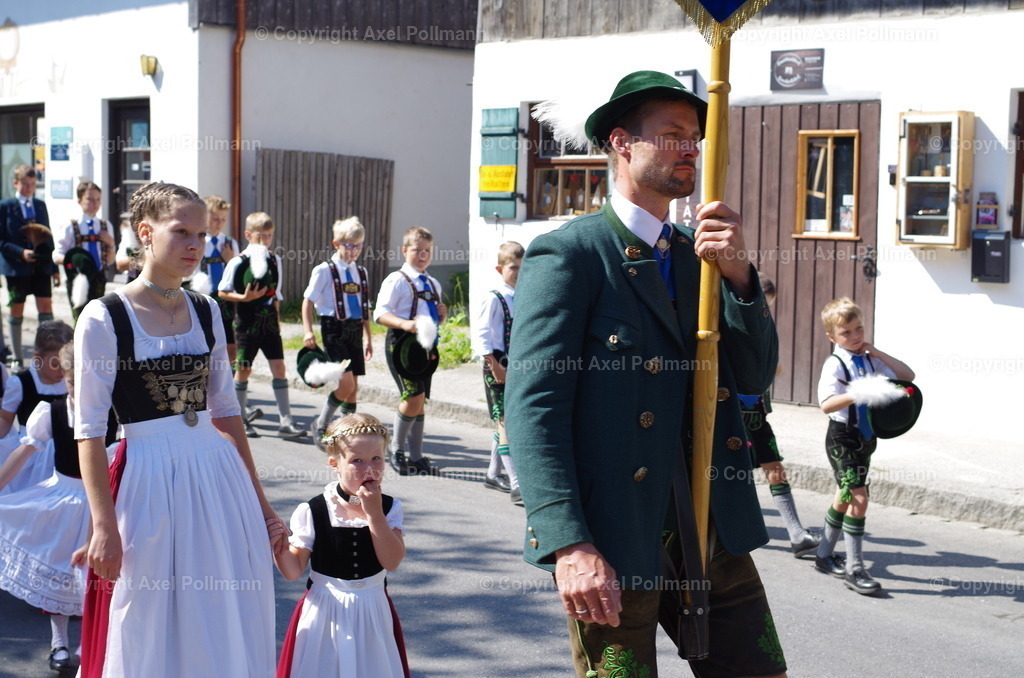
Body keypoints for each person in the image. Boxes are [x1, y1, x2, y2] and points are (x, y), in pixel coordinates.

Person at [505, 70, 785, 677]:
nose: (690, 149)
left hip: (712, 525)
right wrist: (567, 542)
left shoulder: (699, 256)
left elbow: (754, 373)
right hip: (613, 535)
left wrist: (738, 277)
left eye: (695, 138)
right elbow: (533, 408)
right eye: (673, 134)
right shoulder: (572, 255)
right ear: (621, 143)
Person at [74, 181, 285, 677]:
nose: (197, 245)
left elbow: (227, 414)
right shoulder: (105, 317)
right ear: (145, 233)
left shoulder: (208, 310)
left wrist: (263, 508)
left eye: (203, 234)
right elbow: (88, 431)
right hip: (145, 476)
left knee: (220, 608)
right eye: (182, 232)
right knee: (145, 614)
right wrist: (103, 525)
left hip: (215, 477)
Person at [0, 341, 117, 672]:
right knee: (59, 572)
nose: (79, 390)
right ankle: (60, 643)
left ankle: (87, 644)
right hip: (61, 502)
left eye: (86, 382)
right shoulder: (52, 412)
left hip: (103, 504)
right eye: (71, 382)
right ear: (63, 377)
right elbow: (22, 454)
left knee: (94, 579)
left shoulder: (115, 414)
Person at [274, 413, 409, 678]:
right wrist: (278, 545)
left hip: (372, 608)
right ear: (335, 463)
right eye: (357, 460)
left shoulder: (389, 508)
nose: (368, 468)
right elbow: (292, 571)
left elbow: (391, 562)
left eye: (377, 458)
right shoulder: (313, 509)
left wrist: (374, 514)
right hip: (325, 611)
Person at [814, 297, 915, 596]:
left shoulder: (870, 358)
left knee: (844, 495)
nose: (855, 336)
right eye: (846, 333)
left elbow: (907, 377)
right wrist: (858, 393)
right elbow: (826, 404)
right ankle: (855, 568)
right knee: (859, 497)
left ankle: (823, 554)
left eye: (858, 329)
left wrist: (876, 351)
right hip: (842, 437)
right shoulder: (835, 364)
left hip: (865, 437)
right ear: (832, 337)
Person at [739, 273, 819, 558]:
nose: (764, 309)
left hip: (757, 413)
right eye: (762, 302)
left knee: (774, 466)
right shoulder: (731, 322)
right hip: (731, 411)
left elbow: (777, 369)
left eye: (768, 305)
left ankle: (796, 533)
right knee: (732, 473)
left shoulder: (763, 327)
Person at [218, 211, 303, 438]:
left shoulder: (275, 260)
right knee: (243, 369)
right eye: (260, 236)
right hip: (246, 322)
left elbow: (276, 294)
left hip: (269, 323)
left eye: (268, 236)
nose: (265, 240)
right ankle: (241, 420)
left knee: (279, 368)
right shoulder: (238, 261)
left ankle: (286, 421)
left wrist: (277, 321)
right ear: (248, 235)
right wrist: (243, 298)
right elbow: (222, 291)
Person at [373, 226, 447, 476]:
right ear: (405, 251)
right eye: (417, 250)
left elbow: (432, 316)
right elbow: (380, 313)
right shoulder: (396, 280)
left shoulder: (433, 282)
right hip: (402, 345)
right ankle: (396, 450)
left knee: (420, 399)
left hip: (425, 348)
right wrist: (405, 323)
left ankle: (416, 456)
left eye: (427, 250)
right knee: (412, 396)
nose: (423, 255)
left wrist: (442, 316)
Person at [302, 216, 373, 449]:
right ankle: (322, 425)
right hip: (334, 329)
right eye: (349, 245)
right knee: (346, 385)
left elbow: (364, 309)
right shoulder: (324, 270)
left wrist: (369, 338)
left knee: (354, 388)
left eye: (358, 245)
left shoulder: (361, 272)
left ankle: (346, 430)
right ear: (337, 244)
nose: (353, 250)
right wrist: (307, 331)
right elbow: (308, 301)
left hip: (355, 331)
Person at [472, 241, 523, 504]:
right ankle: (516, 483)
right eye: (513, 267)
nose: (518, 272)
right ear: (500, 268)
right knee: (505, 420)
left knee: (507, 420)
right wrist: (494, 364)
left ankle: (493, 473)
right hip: (497, 362)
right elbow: (481, 336)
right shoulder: (494, 298)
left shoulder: (522, 295)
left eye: (522, 267)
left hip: (517, 362)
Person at [0, 320, 73, 492]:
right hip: (30, 454)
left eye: (67, 365)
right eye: (56, 365)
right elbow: (5, 418)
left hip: (64, 451)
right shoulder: (20, 383)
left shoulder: (70, 383)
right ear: (38, 358)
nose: (62, 372)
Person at [0, 164, 59, 364]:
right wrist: (20, 253)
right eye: (25, 184)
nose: (28, 188)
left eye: (32, 184)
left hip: (41, 266)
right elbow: (1, 241)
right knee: (17, 309)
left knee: (46, 308)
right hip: (17, 268)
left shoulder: (40, 205)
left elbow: (48, 238)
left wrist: (55, 268)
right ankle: (17, 359)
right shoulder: (6, 207)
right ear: (15, 183)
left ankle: (45, 357)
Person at [54, 181, 117, 319]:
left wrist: (111, 243)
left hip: (99, 278)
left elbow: (110, 261)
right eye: (89, 199)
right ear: (79, 201)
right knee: (80, 318)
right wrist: (75, 260)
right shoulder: (71, 226)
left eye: (98, 199)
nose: (94, 203)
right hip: (78, 279)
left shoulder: (106, 225)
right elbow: (57, 255)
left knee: (98, 319)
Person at [192, 195, 239, 366]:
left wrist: (229, 260)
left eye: (223, 219)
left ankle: (230, 376)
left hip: (225, 297)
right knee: (204, 335)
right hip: (203, 295)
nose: (219, 223)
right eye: (215, 218)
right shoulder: (198, 241)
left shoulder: (230, 243)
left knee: (229, 337)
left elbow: (237, 273)